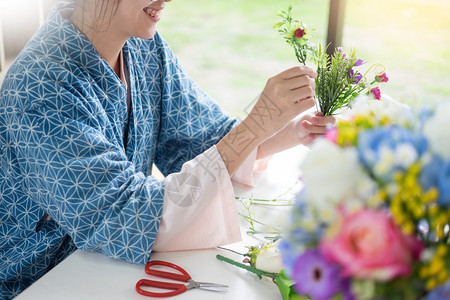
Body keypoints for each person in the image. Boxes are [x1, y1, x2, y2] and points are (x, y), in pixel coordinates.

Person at [0, 0, 335, 298]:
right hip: (38, 280)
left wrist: (290, 131)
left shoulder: (144, 48)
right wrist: (256, 123)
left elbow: (201, 142)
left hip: (107, 266)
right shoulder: (40, 87)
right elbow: (125, 217)